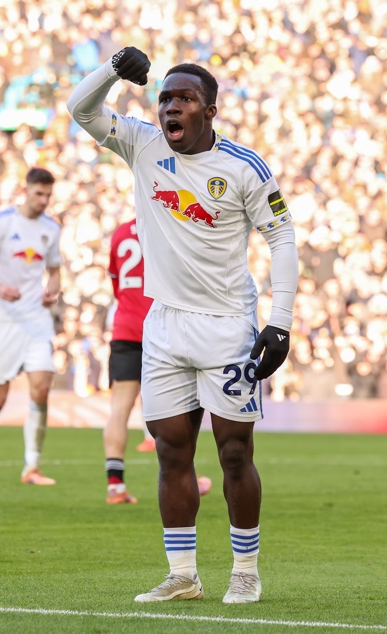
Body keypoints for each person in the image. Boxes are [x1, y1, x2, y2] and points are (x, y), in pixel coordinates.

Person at [67, 48, 298, 604]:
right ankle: (183, 575)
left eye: (185, 99)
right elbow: (80, 109)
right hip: (164, 325)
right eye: (165, 98)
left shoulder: (244, 167)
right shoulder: (142, 144)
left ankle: (246, 571)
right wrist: (114, 69)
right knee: (171, 452)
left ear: (210, 111)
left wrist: (281, 322)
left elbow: (282, 236)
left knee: (234, 453)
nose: (171, 107)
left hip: (227, 326)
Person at [0, 167, 62, 486]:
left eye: (48, 195)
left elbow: (55, 271)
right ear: (26, 191)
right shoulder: (3, 222)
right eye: (38, 194)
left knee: (41, 388)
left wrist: (53, 292)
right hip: (3, 320)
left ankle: (31, 466)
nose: (43, 201)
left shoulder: (51, 229)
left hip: (36, 319)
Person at [104, 217, 213, 505]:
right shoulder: (166, 224)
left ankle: (115, 485)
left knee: (119, 408)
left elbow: (116, 284)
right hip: (161, 329)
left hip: (126, 328)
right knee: (178, 407)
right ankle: (187, 476)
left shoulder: (120, 233)